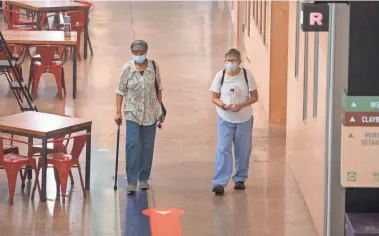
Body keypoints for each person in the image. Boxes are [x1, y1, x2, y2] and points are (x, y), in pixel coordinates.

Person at [114, 40, 165, 194]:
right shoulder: (127, 69)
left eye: (141, 52)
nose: (139, 55)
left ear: (146, 51)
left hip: (150, 113)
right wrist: (117, 112)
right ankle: (131, 181)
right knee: (132, 146)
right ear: (132, 52)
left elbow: (159, 89)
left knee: (147, 147)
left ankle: (143, 178)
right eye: (135, 52)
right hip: (132, 113)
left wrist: (160, 108)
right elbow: (119, 91)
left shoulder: (154, 67)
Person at [209, 48, 259, 195]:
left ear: (239, 62)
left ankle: (240, 179)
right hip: (225, 118)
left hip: (244, 119)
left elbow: (255, 96)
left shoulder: (246, 75)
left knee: (243, 149)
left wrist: (241, 105)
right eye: (228, 61)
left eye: (234, 61)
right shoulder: (221, 76)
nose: (231, 63)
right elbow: (214, 97)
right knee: (223, 148)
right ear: (225, 62)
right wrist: (224, 106)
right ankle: (219, 182)